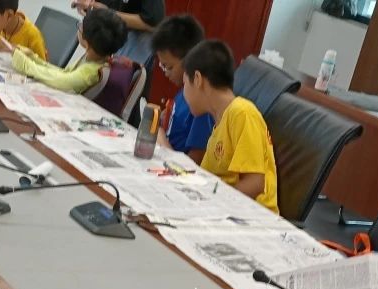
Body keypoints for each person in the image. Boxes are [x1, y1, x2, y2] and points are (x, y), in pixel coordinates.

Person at [180, 40, 278, 214]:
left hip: (251, 215)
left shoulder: (242, 113)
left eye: (185, 84)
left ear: (198, 79)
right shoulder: (219, 120)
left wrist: (214, 203)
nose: (183, 92)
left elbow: (255, 183)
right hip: (226, 209)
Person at [10, 7, 124, 95]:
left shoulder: (90, 73)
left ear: (87, 43)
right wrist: (33, 58)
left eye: (81, 26)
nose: (79, 27)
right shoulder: (95, 58)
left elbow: (60, 80)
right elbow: (65, 73)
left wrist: (25, 64)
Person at [150, 15, 212, 162]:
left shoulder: (201, 105)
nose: (165, 72)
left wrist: (158, 133)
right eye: (162, 66)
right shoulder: (184, 91)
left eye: (169, 67)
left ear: (190, 60)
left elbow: (192, 164)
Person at [73, 0, 163, 72]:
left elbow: (154, 23)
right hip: (104, 49)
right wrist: (85, 5)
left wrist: (108, 14)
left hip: (131, 47)